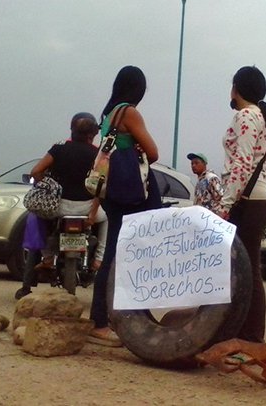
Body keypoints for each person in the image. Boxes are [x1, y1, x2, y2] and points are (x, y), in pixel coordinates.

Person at [88, 66, 160, 347]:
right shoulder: (129, 112)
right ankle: (101, 322)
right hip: (131, 195)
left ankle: (106, 318)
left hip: (114, 194)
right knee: (125, 255)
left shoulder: (108, 115)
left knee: (117, 254)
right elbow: (153, 153)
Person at [15, 112, 108, 299]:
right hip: (86, 209)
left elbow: (36, 171)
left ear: (72, 130)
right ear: (93, 134)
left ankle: (45, 260)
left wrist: (49, 186)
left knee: (37, 219)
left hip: (58, 208)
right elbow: (101, 186)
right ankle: (99, 258)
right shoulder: (99, 155)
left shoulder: (58, 148)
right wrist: (93, 212)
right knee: (108, 220)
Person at [217, 66, 266, 344]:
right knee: (246, 269)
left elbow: (241, 165)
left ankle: (251, 337)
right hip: (258, 200)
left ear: (236, 88)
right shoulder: (261, 117)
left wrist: (225, 205)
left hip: (248, 203)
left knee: (247, 270)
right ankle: (247, 334)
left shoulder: (245, 116)